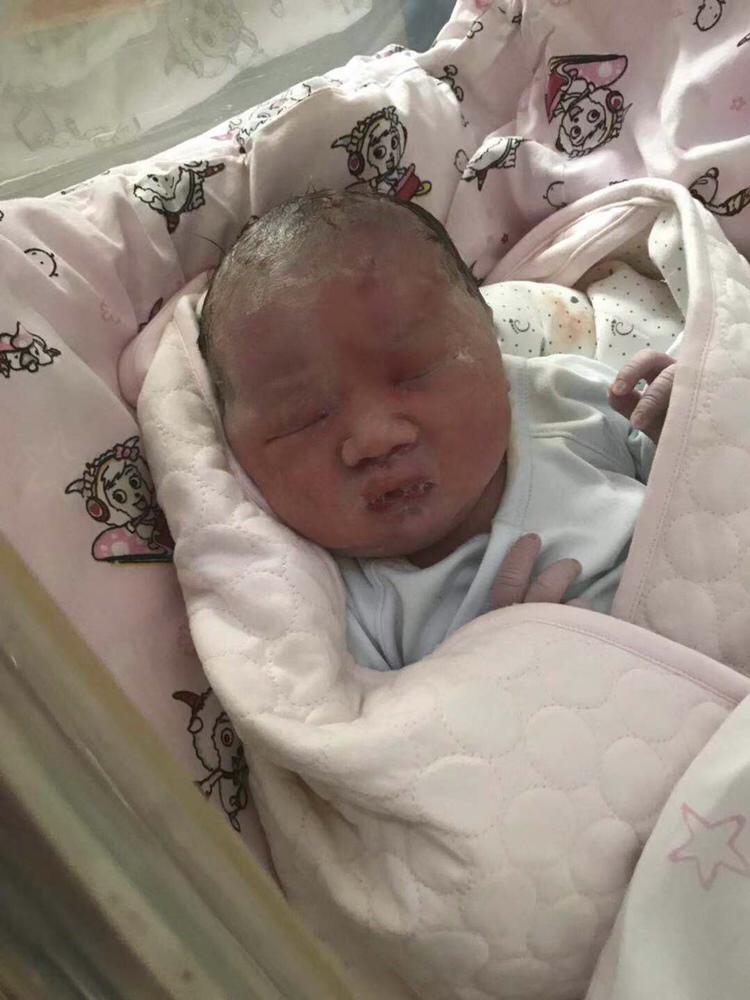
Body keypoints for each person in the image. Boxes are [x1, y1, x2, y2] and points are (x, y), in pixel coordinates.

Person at [197, 190, 675, 670]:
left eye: (416, 372)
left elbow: (697, 479)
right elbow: (372, 717)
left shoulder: (564, 401)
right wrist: (500, 674)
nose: (376, 438)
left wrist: (677, 424)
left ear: (489, 338)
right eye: (305, 416)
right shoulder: (342, 614)